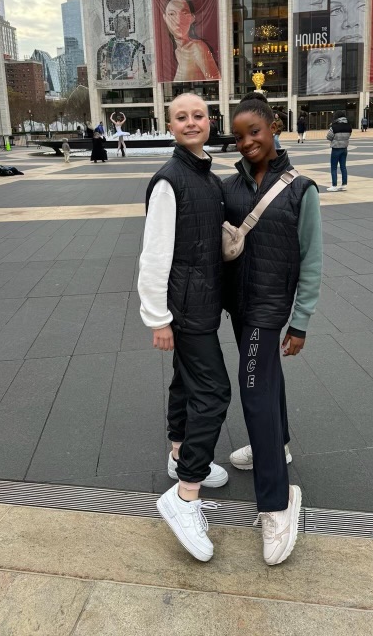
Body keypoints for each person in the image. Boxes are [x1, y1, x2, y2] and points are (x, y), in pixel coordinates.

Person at [223, 92, 322, 565]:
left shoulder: (301, 190)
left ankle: (278, 503)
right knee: (266, 378)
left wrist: (300, 322)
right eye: (238, 136)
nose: (246, 142)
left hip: (269, 308)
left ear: (274, 126)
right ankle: (276, 447)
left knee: (253, 391)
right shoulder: (230, 187)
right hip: (239, 307)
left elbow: (312, 261)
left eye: (254, 132)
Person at [140, 93, 230, 563]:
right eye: (181, 117)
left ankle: (180, 454)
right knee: (214, 392)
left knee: (187, 380)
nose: (191, 122)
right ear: (170, 125)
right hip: (186, 307)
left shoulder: (207, 177)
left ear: (209, 121)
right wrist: (157, 317)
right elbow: (154, 254)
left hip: (201, 302)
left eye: (198, 115)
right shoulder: (169, 181)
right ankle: (186, 493)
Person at [163, 0, 220, 82]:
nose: (178, 20)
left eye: (184, 13)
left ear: (192, 18)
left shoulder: (197, 47)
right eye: (171, 14)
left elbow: (215, 79)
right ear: (165, 18)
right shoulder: (174, 52)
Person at [326, 109, 352, 192]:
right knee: (343, 166)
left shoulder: (334, 126)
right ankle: (344, 184)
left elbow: (328, 137)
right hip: (344, 148)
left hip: (336, 148)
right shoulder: (349, 126)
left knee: (334, 167)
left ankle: (334, 185)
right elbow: (349, 136)